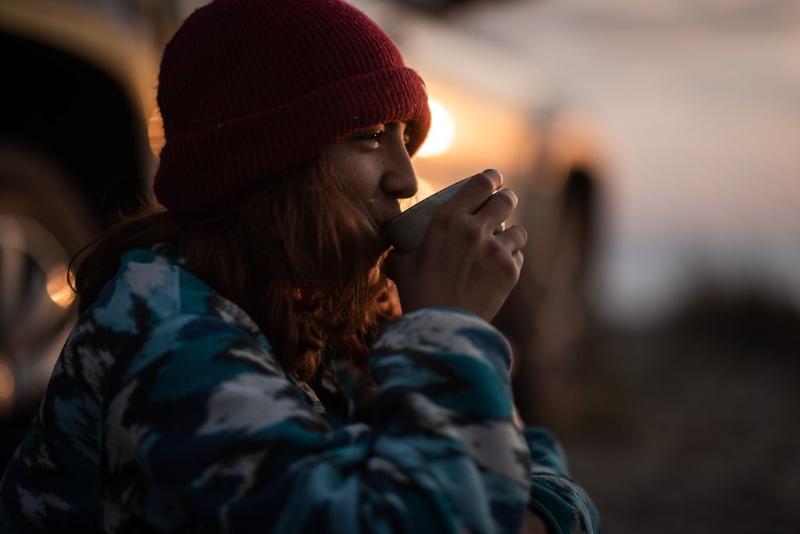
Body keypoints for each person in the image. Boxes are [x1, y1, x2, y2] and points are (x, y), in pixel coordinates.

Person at [0, 0, 600, 532]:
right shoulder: (170, 339)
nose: (407, 178)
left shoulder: (322, 316)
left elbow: (556, 500)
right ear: (268, 165)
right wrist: (448, 329)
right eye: (369, 137)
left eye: (406, 139)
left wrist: (439, 339)